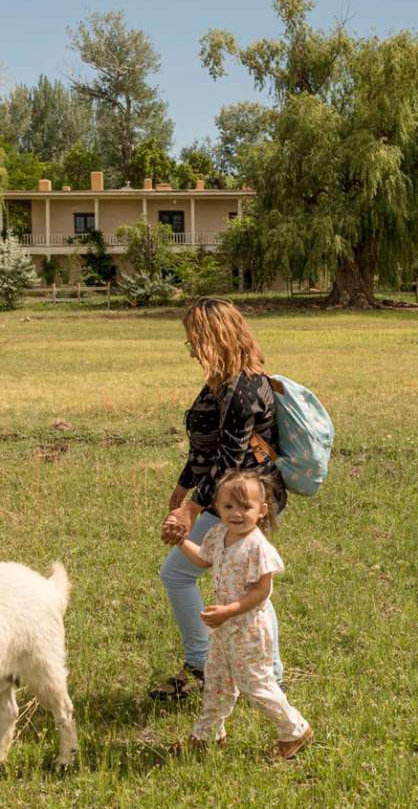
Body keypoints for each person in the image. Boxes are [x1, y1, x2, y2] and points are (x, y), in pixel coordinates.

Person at [152, 297, 287, 700]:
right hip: (225, 494)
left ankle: (204, 665)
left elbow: (229, 459)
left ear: (215, 337)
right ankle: (261, 671)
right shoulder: (222, 381)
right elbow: (205, 445)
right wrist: (182, 487)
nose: (191, 347)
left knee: (181, 574)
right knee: (239, 579)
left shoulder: (244, 388)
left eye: (194, 338)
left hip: (244, 500)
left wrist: (193, 506)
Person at [177, 469, 313, 759]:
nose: (236, 514)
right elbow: (203, 558)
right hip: (223, 628)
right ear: (217, 507)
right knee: (216, 681)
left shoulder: (257, 547)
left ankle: (295, 730)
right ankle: (208, 733)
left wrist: (229, 611)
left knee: (256, 683)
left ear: (262, 510)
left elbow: (261, 592)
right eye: (228, 507)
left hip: (248, 630)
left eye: (245, 507)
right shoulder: (219, 534)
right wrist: (180, 541)